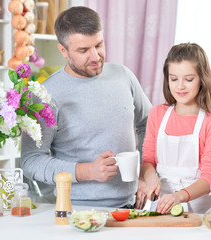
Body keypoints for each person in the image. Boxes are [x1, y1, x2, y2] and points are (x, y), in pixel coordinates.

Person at [21, 6, 152, 208]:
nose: (95, 56)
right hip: (76, 210)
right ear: (63, 50)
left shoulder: (123, 75)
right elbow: (31, 161)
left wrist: (146, 172)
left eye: (98, 45)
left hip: (130, 207)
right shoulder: (45, 95)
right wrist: (87, 171)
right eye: (83, 50)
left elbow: (149, 125)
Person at [137, 43, 211, 214]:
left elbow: (209, 179)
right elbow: (148, 160)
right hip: (161, 207)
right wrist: (151, 178)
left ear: (202, 79)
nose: (180, 86)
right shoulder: (157, 114)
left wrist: (179, 196)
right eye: (174, 79)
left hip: (198, 212)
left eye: (189, 79)